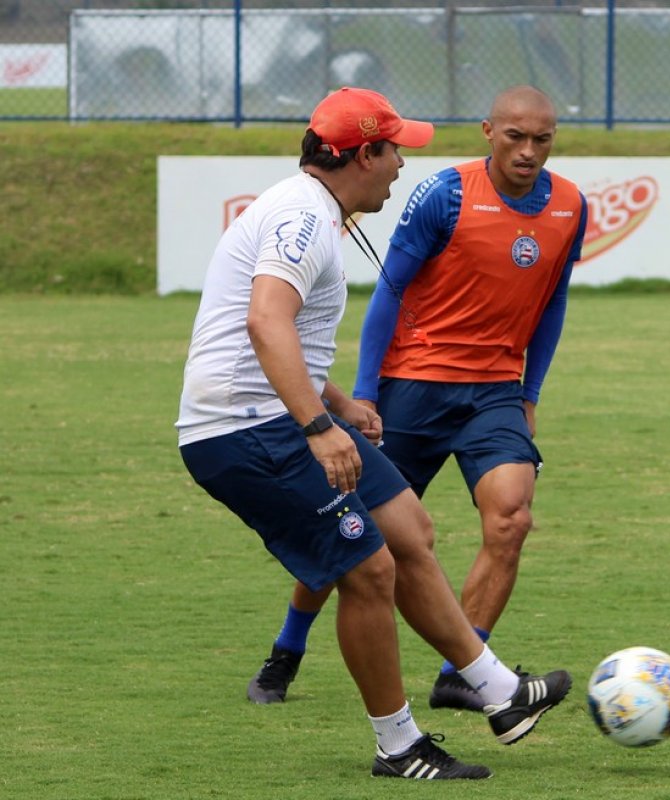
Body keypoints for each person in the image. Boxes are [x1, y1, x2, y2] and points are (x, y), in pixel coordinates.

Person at [176, 86, 571, 781]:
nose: (400, 167)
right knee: (371, 570)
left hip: (276, 411)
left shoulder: (313, 212)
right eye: (395, 152)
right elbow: (265, 323)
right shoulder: (301, 217)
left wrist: (338, 401)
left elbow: (281, 335)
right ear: (364, 154)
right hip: (244, 430)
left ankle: (499, 694)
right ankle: (399, 745)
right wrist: (318, 424)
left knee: (409, 528)